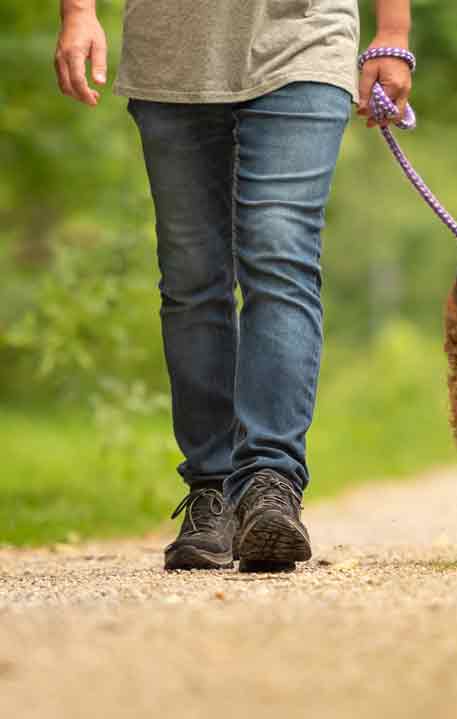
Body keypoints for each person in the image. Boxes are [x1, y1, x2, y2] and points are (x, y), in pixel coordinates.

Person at [54, 0, 413, 572]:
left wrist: (392, 34)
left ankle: (270, 482)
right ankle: (213, 488)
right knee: (192, 278)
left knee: (280, 255)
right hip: (171, 56)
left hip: (306, 37)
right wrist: (78, 12)